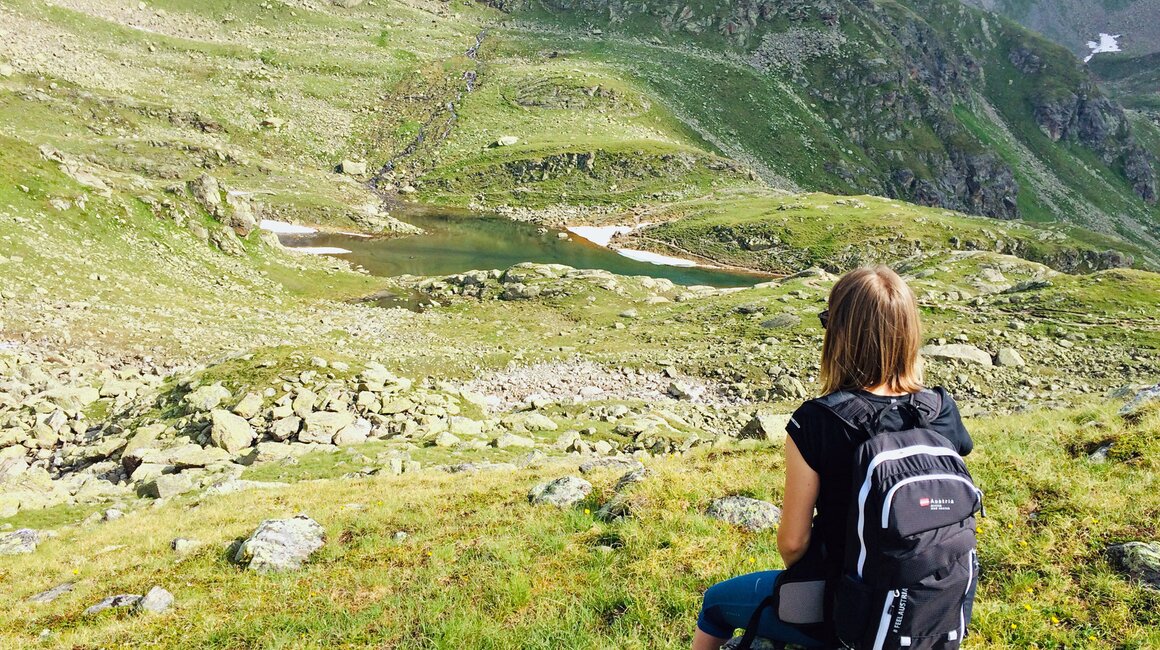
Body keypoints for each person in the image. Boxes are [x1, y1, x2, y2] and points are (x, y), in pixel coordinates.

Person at [693, 265, 974, 649]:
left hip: (846, 612)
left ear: (840, 336)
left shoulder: (817, 420)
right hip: (932, 605)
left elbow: (792, 543)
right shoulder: (940, 409)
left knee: (715, 603)